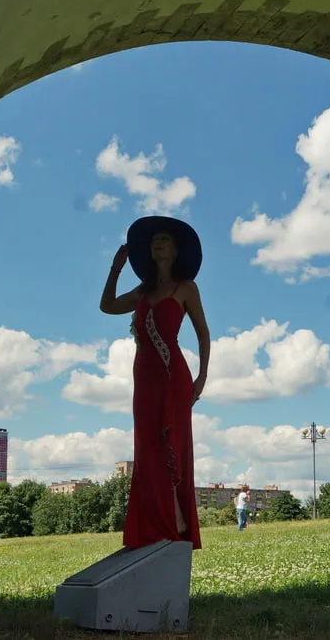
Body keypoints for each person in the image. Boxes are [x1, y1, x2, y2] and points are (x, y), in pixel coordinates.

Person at [99, 215, 210, 551]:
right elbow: (107, 307)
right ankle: (151, 525)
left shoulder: (186, 288)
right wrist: (115, 269)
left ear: (175, 250)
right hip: (143, 376)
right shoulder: (143, 290)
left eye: (163, 239)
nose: (156, 243)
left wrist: (202, 377)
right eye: (153, 240)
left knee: (171, 442)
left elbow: (203, 333)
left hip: (173, 375)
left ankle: (176, 520)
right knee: (146, 448)